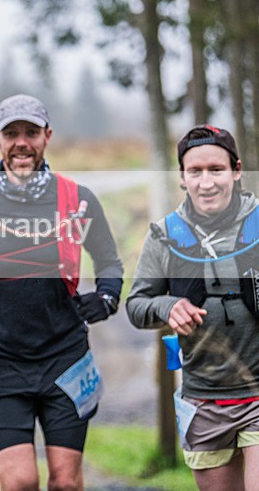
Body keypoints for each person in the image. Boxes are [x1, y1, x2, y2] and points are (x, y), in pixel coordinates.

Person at [0, 94, 124, 490]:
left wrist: (107, 297)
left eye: (31, 132)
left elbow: (109, 261)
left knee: (65, 483)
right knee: (20, 483)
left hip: (66, 358)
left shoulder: (78, 199)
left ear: (47, 136)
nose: (21, 143)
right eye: (12, 133)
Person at [126, 125, 259, 490]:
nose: (206, 182)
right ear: (182, 178)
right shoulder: (165, 236)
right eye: (194, 171)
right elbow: (136, 305)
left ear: (236, 170)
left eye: (216, 169)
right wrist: (167, 306)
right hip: (204, 397)